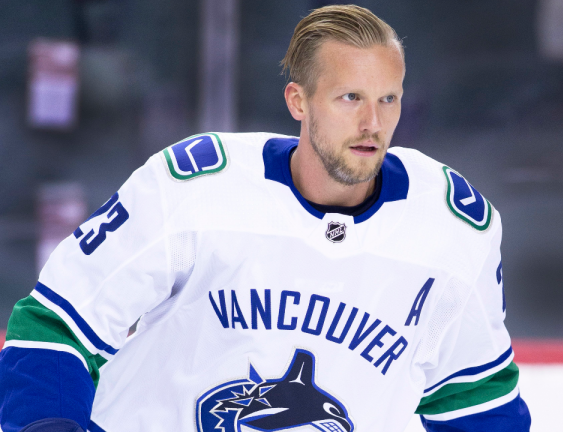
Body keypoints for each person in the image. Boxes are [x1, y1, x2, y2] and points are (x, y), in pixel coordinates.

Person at [0, 5, 531, 432]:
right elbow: (56, 328)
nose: (373, 123)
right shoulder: (196, 189)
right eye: (350, 98)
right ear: (298, 101)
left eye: (387, 99)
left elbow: (475, 400)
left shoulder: (453, 229)